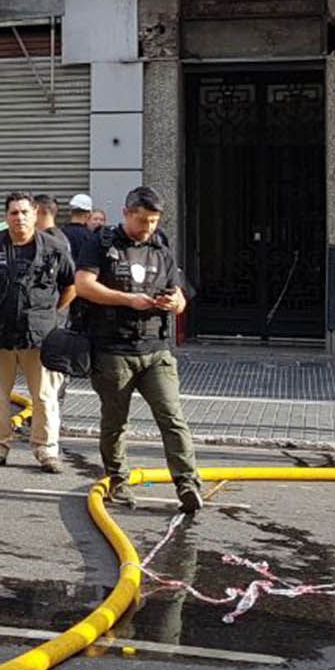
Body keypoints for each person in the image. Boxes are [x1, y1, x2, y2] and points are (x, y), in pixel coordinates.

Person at [76, 186, 205, 512]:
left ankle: (187, 483)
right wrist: (128, 300)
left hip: (156, 349)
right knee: (116, 420)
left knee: (172, 417)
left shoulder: (161, 245)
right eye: (143, 220)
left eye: (153, 221)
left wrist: (176, 303)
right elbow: (84, 285)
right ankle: (118, 480)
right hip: (113, 349)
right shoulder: (102, 243)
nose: (148, 227)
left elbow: (179, 293)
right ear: (126, 212)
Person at [0, 193, 77, 473]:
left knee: (44, 396)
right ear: (6, 216)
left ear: (35, 213)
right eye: (14, 213)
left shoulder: (54, 247)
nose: (19, 218)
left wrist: (50, 316)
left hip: (39, 337)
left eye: (25, 212)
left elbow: (70, 286)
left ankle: (46, 450)